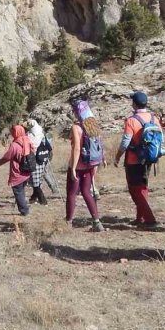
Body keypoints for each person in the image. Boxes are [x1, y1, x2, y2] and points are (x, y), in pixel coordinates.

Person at [113, 91, 160, 227]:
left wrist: (117, 157)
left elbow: (125, 143)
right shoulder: (154, 118)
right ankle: (140, 218)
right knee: (142, 187)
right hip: (149, 159)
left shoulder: (131, 120)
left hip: (133, 160)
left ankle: (150, 219)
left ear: (134, 104)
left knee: (135, 190)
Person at [67, 99, 103, 231]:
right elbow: (100, 145)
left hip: (78, 166)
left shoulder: (76, 127)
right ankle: (97, 222)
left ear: (77, 112)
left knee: (71, 194)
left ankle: (68, 222)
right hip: (90, 165)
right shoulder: (93, 125)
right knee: (87, 192)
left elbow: (77, 148)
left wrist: (73, 168)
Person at [0, 125, 32, 216]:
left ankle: (24, 211)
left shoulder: (15, 145)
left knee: (18, 191)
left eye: (13, 131)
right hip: (27, 171)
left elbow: (7, 157)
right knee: (21, 190)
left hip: (18, 172)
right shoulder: (27, 141)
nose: (12, 133)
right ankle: (23, 207)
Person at [27, 119, 51, 206]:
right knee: (37, 180)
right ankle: (33, 197)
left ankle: (42, 200)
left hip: (34, 160)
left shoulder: (30, 136)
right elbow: (49, 147)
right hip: (42, 160)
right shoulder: (41, 134)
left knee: (35, 181)